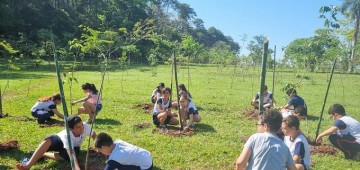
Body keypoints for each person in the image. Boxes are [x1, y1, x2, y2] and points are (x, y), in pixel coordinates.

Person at [15, 115, 97, 170]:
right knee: (48, 140)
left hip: (75, 146)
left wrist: (96, 147)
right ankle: (28, 165)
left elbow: (94, 135)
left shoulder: (86, 127)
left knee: (65, 157)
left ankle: (43, 154)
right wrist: (77, 168)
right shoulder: (67, 135)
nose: (82, 128)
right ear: (71, 129)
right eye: (78, 127)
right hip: (59, 140)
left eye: (81, 125)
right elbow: (71, 153)